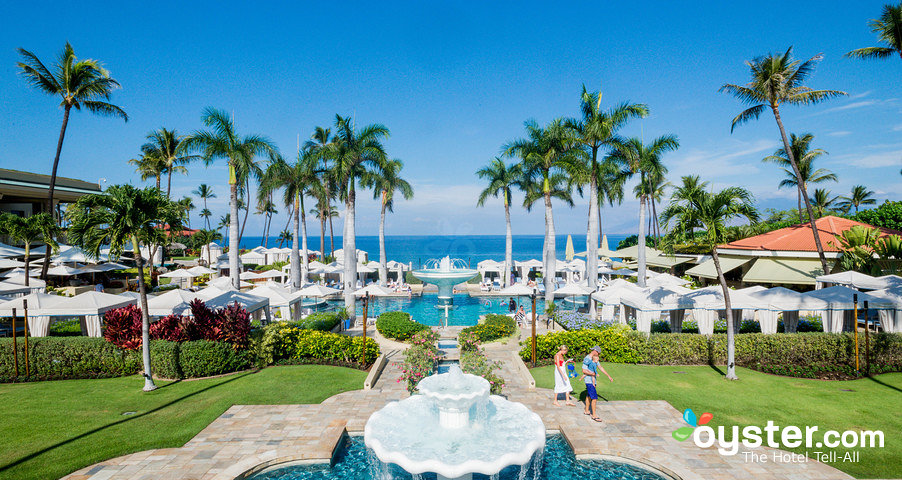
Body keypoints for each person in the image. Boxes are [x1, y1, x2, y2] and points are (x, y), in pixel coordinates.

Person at [582, 346, 613, 423]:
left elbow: (600, 367)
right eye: (599, 353)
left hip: (593, 380)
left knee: (589, 395)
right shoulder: (587, 359)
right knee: (594, 398)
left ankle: (586, 410)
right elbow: (584, 370)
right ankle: (594, 415)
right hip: (589, 381)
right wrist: (592, 373)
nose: (599, 354)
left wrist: (608, 376)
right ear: (595, 351)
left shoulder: (595, 358)